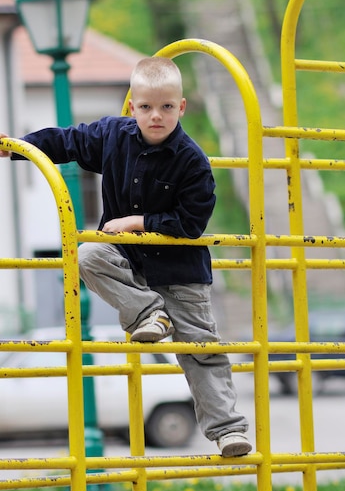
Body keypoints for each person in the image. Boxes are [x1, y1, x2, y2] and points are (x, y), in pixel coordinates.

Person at [0, 56, 252, 458]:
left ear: (181, 107)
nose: (156, 116)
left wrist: (139, 221)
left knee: (201, 351)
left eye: (167, 107)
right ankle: (148, 313)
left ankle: (228, 431)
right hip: (128, 267)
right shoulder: (111, 136)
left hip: (180, 272)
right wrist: (15, 147)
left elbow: (192, 222)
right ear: (132, 106)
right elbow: (66, 141)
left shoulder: (192, 160)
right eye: (147, 107)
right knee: (88, 254)